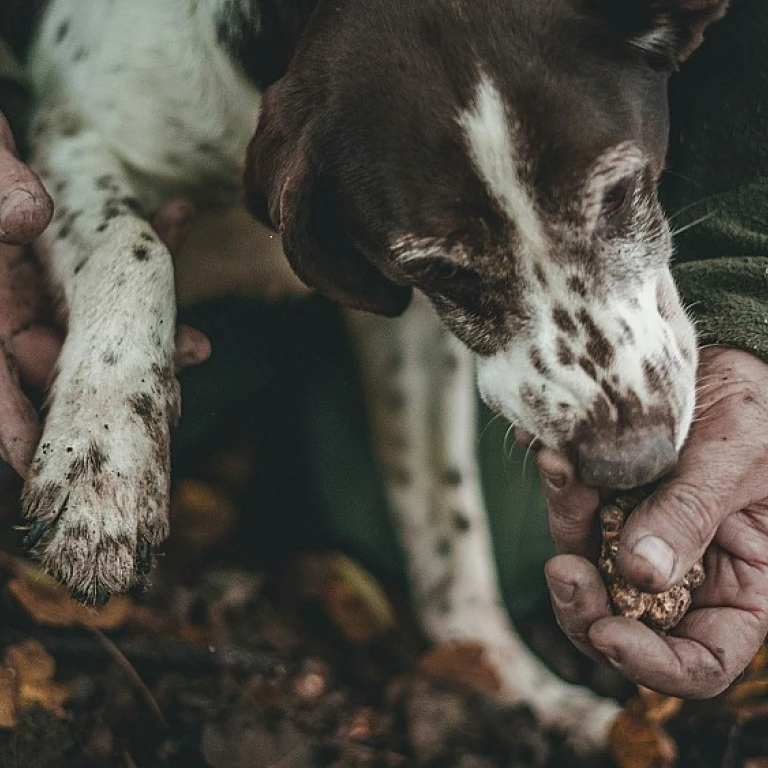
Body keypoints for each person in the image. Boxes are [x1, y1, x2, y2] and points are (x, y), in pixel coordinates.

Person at [0, 0, 766, 703]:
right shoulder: (162, 60)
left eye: (615, 201)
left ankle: (467, 621)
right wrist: (119, 338)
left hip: (346, 247)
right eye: (449, 267)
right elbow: (78, 157)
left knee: (531, 557)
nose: (629, 418)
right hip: (216, 226)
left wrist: (749, 311)